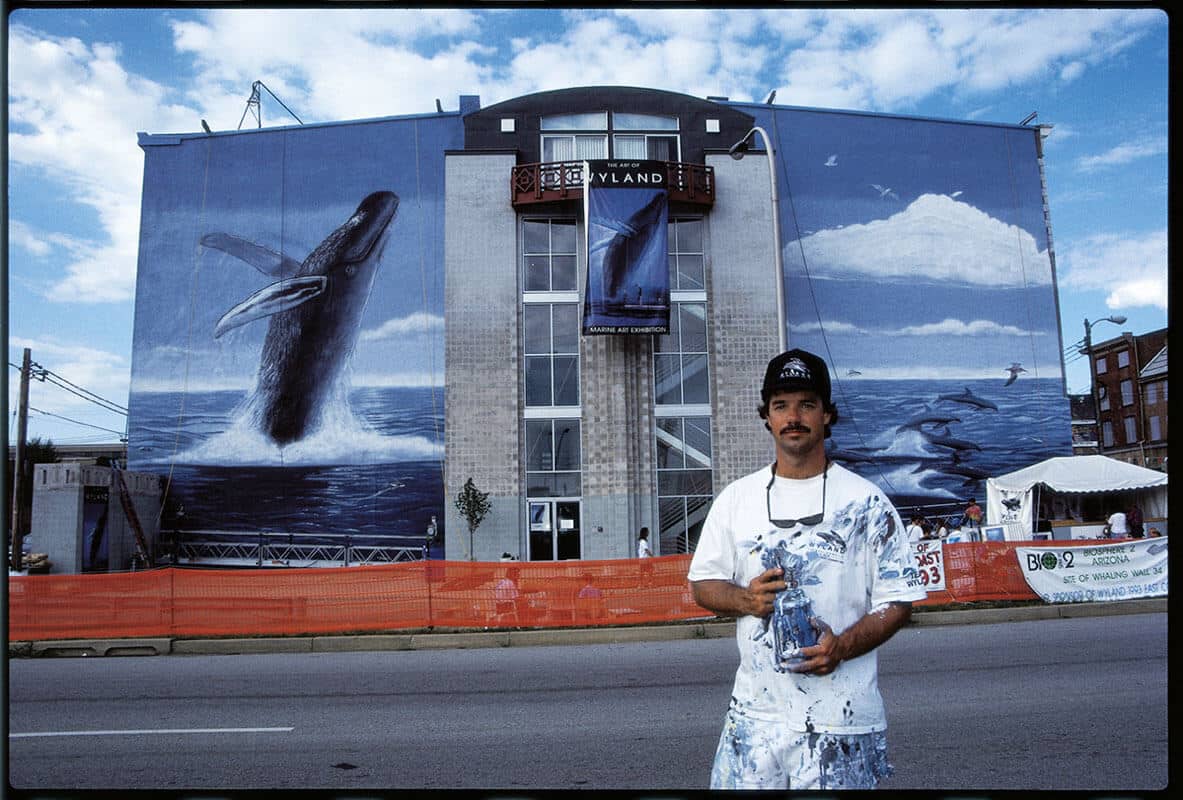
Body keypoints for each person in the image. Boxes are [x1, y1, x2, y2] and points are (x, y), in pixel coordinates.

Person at [688, 349, 926, 790]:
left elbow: (899, 600)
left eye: (806, 404)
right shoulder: (736, 500)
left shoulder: (867, 502)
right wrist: (744, 599)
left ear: (827, 415)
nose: (793, 416)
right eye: (781, 405)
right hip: (754, 722)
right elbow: (702, 584)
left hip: (844, 723)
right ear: (766, 417)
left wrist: (843, 646)